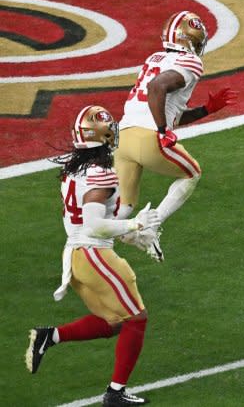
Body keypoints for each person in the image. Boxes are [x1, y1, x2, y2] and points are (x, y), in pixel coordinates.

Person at [26, 105, 161, 406]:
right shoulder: (101, 174)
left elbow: (94, 221)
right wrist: (135, 223)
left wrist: (131, 234)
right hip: (94, 254)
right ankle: (115, 394)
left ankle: (50, 336)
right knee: (137, 318)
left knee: (113, 321)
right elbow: (94, 224)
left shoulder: (73, 170)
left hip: (76, 255)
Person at [114, 11, 237, 261]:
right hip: (149, 136)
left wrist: (206, 110)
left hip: (123, 137)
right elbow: (157, 88)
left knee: (124, 208)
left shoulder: (154, 58)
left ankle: (84, 246)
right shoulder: (190, 62)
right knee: (192, 173)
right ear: (191, 41)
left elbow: (165, 107)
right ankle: (150, 226)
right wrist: (162, 131)